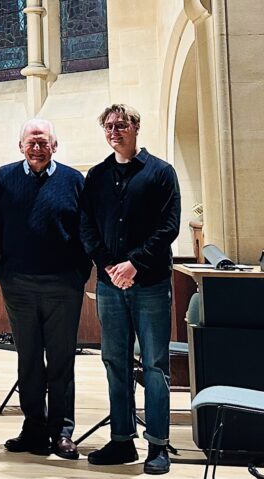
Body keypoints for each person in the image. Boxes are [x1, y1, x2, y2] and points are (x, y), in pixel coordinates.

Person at [80, 104, 180, 475]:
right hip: (109, 284)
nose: (114, 131)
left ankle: (157, 445)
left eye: (120, 125)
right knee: (114, 361)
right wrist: (110, 265)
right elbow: (86, 226)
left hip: (150, 283)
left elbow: (169, 226)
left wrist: (134, 263)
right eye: (108, 126)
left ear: (136, 126)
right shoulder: (97, 175)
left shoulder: (161, 172)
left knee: (154, 365)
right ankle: (122, 441)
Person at [0, 119, 89, 459]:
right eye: (32, 142)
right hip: (19, 286)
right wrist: (4, 273)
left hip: (63, 286)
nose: (37, 148)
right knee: (28, 359)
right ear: (21, 146)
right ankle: (33, 428)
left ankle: (62, 431)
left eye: (44, 143)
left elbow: (87, 230)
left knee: (61, 360)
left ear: (54, 146)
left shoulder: (74, 180)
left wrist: (78, 275)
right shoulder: (4, 177)